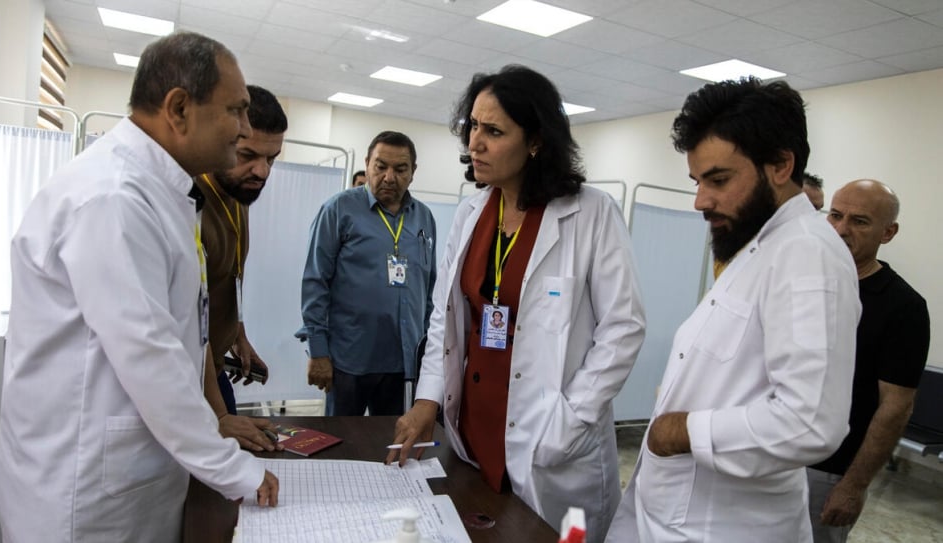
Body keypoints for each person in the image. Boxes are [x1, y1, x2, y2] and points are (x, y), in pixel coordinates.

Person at [0, 32, 278, 543]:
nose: (242, 130)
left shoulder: (166, 193)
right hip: (84, 496)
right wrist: (234, 469)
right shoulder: (113, 198)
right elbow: (150, 356)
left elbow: (184, 335)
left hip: (132, 478)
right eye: (235, 110)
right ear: (179, 108)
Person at [387, 64, 647, 543]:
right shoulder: (472, 211)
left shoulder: (590, 214)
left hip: (551, 439)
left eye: (493, 131)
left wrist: (569, 421)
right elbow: (446, 320)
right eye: (472, 127)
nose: (475, 143)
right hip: (476, 430)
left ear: (536, 141)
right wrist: (427, 400)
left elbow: (623, 329)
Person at [607, 78, 860, 542]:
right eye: (698, 181)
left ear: (782, 164)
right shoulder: (759, 246)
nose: (701, 200)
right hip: (677, 515)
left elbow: (810, 423)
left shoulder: (808, 255)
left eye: (719, 180)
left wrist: (680, 430)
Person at [807, 179, 930, 542]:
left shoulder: (903, 307)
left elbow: (895, 407)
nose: (841, 229)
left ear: (888, 232)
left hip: (826, 472)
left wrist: (853, 485)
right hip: (768, 457)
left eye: (859, 221)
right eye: (835, 215)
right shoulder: (807, 283)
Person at [301, 131, 437, 416]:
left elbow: (428, 287)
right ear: (367, 163)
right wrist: (318, 350)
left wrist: (427, 351)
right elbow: (316, 282)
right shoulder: (338, 210)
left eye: (400, 169)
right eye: (380, 166)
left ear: (413, 173)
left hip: (403, 361)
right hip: (349, 359)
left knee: (390, 446)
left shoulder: (423, 217)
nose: (389, 177)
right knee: (343, 445)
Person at [195, 84, 286, 449]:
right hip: (189, 379)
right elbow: (187, 327)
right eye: (247, 154)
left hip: (213, 368)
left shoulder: (238, 195)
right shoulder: (190, 207)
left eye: (272, 159)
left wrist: (237, 333)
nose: (261, 172)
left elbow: (227, 276)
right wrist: (218, 418)